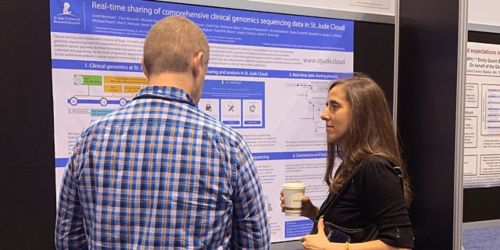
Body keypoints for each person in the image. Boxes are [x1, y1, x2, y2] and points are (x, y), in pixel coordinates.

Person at [55, 16, 270, 249]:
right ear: (197, 63)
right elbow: (255, 244)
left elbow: (67, 240)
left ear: (144, 66)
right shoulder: (229, 146)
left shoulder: (90, 140)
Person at [281, 74, 414, 249]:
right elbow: (353, 225)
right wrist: (312, 212)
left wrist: (333, 248)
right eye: (326, 105)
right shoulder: (353, 165)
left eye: (334, 106)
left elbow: (401, 245)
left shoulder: (376, 168)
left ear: (361, 114)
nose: (323, 114)